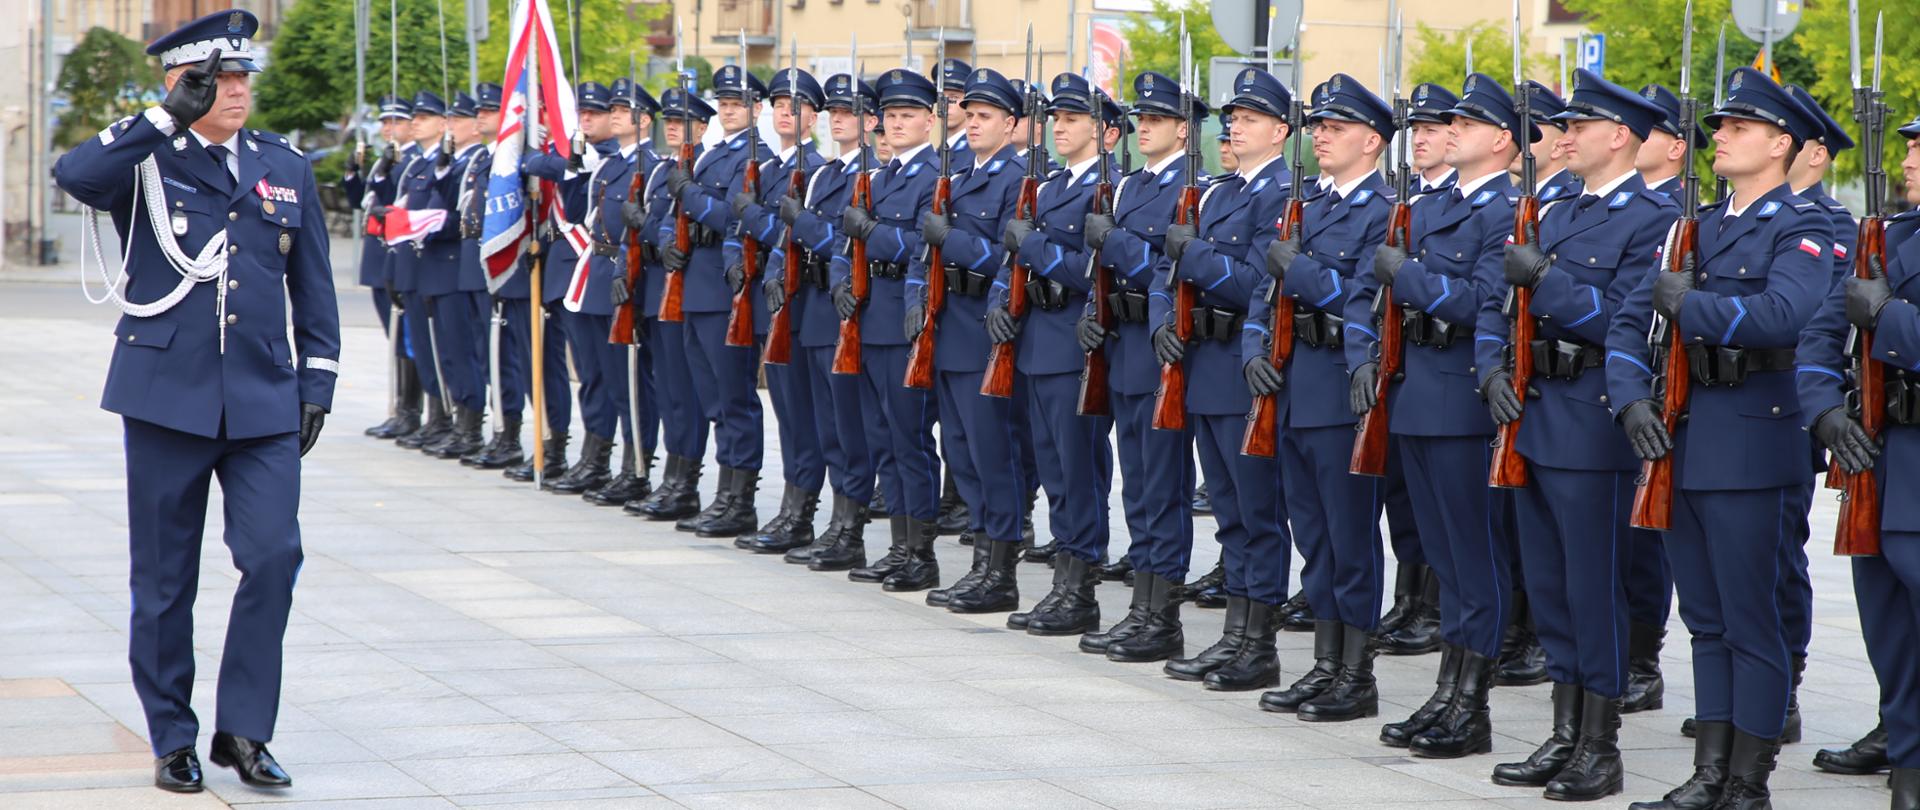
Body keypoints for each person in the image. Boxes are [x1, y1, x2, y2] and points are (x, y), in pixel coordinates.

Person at [53, 9, 338, 792]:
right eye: (222, 79)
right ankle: (172, 735)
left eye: (245, 76)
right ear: (182, 82)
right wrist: (161, 117)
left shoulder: (284, 165)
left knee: (275, 555)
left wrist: (319, 380)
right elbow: (75, 176)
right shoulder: (146, 158)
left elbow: (313, 284)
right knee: (166, 577)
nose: (239, 90)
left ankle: (244, 731)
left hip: (262, 401)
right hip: (165, 398)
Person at [1613, 67, 1833, 810]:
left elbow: (1783, 317)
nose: (1722, 138)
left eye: (1739, 128)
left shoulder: (1802, 226)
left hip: (1751, 440)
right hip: (1681, 433)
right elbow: (1629, 318)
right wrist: (1629, 401)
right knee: (1704, 619)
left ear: (1781, 143)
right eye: (1720, 128)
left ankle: (1748, 781)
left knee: (1750, 619)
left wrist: (1695, 306)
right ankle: (1708, 773)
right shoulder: (1694, 224)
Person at [1479, 70, 1677, 802]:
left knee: (1594, 587)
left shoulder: (1652, 218)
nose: (1563, 138)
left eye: (1577, 127)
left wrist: (1549, 281)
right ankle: (1563, 731)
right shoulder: (1555, 207)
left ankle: (1600, 744)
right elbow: (1502, 302)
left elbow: (1628, 323)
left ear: (1618, 135)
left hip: (1593, 421)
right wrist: (1491, 367)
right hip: (1533, 412)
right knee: (1554, 587)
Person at [1363, 73, 1530, 759]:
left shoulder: (1509, 212)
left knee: (1475, 555)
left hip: (1463, 398)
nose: (1449, 130)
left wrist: (1409, 278)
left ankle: (1472, 702)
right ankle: (1448, 688)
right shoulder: (1431, 205)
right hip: (1418, 395)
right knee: (1445, 559)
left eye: (1466, 122)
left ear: (1501, 140)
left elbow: (1481, 304)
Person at [1249, 73, 1395, 722]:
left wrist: (1296, 267)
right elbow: (1264, 292)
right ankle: (1326, 662)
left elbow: (1359, 296)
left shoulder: (1385, 211)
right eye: (1318, 128)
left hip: (1342, 389)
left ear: (1373, 141)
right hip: (1295, 386)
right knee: (1313, 537)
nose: (1321, 139)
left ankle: (1355, 674)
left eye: (1334, 129)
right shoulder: (1309, 205)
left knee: (1349, 538)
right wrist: (1255, 347)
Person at [1154, 66, 1295, 693]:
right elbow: (1168, 271)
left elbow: (1251, 284)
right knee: (1230, 513)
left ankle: (1257, 642)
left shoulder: (1282, 195)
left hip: (1244, 367)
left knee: (1256, 510)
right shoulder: (1219, 190)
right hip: (1203, 363)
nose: (1234, 126)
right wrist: (1164, 315)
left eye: (1250, 118)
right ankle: (1235, 633)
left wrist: (1195, 254)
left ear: (1281, 131)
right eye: (1233, 118)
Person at [1077, 70, 1206, 663]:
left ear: (1184, 129)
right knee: (1137, 487)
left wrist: (1116, 243)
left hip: (1162, 352)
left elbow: (1168, 268)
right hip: (1122, 346)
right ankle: (1141, 607)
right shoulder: (1128, 186)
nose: (1143, 128)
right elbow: (1100, 272)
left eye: (1156, 119)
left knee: (1163, 487)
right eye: (1139, 120)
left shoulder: (1195, 188)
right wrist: (1090, 312)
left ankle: (1163, 617)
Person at [993, 74, 1122, 633]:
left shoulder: (1109, 188)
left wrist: (1033, 244)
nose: (1059, 128)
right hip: (1035, 343)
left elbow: (1091, 273)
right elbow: (1011, 263)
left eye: (1073, 119)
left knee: (1078, 470)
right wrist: (1000, 300)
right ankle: (1062, 582)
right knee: (1050, 465)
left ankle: (1080, 590)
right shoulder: (1044, 187)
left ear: (1104, 131)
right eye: (1054, 118)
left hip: (1076, 345)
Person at [910, 67, 1030, 608]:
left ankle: (999, 570)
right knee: (959, 449)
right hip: (949, 327)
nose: (974, 122)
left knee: (991, 452)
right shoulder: (954, 176)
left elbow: (1009, 259)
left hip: (986, 331)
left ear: (1010, 124)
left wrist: (952, 241)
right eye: (971, 113)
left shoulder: (1018, 180)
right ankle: (981, 560)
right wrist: (917, 299)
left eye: (986, 115)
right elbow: (922, 250)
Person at [832, 67, 946, 591]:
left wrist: (873, 233)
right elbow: (842, 242)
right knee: (881, 439)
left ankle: (920, 554)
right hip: (869, 316)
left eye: (908, 115)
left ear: (930, 120)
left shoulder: (934, 178)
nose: (897, 124)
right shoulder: (878, 177)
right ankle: (898, 548)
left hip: (906, 317)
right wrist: (839, 281)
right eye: (891, 116)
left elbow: (922, 249)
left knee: (910, 440)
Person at [765, 73, 881, 569]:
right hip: (810, 307)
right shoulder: (824, 175)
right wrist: (775, 272)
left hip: (843, 311)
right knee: (818, 424)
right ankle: (821, 519)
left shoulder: (872, 174)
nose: (838, 119)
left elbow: (843, 244)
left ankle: (849, 529)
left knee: (847, 426)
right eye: (833, 112)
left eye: (848, 112)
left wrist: (803, 221)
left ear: (869, 120)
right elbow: (787, 242)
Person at [662, 65, 770, 537]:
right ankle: (723, 493)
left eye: (737, 104)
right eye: (723, 104)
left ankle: (739, 501)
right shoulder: (709, 156)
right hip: (696, 285)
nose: (728, 111)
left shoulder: (757, 157)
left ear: (756, 109)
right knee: (710, 398)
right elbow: (677, 211)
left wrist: (692, 196)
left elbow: (733, 215)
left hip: (726, 289)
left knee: (733, 398)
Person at [1372, 81, 1455, 659]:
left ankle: (1437, 604)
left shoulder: (1465, 203)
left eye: (1431, 130)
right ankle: (1411, 598)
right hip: (1398, 369)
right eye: (1415, 131)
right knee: (1403, 496)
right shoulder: (1408, 199)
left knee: (1446, 511)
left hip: (1442, 369)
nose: (1420, 140)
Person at [731, 66, 828, 552]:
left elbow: (792, 237)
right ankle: (790, 508)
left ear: (813, 117)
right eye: (780, 106)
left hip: (802, 303)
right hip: (768, 300)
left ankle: (802, 514)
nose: (787, 114)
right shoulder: (766, 168)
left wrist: (750, 215)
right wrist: (736, 257)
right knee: (786, 411)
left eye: (797, 107)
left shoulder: (817, 170)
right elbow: (740, 237)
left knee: (805, 413)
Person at [629, 85, 717, 521]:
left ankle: (687, 483)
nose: (677, 130)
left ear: (702, 127)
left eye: (685, 124)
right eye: (672, 124)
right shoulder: (666, 169)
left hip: (692, 291)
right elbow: (665, 225)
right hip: (663, 290)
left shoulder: (703, 166)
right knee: (669, 391)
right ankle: (674, 478)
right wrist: (657, 235)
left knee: (686, 391)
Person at [578, 77, 660, 508]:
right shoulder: (610, 166)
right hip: (600, 270)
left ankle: (638, 465)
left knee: (632, 380)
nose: (613, 116)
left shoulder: (649, 163)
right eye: (611, 110)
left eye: (622, 111)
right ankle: (613, 463)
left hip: (629, 274)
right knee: (609, 376)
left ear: (643, 120)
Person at [416, 90, 489, 462]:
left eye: (459, 120)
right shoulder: (455, 161)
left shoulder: (478, 160)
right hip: (441, 267)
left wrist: (421, 222)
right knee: (448, 352)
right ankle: (459, 420)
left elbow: (459, 216)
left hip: (456, 265)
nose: (452, 126)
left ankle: (470, 425)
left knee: (464, 352)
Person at [348, 96, 419, 439]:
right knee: (394, 339)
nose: (388, 128)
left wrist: (388, 170)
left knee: (405, 338)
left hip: (396, 252)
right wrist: (353, 173)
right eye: (385, 122)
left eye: (396, 122)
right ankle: (401, 408)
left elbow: (394, 202)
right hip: (378, 254)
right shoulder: (385, 160)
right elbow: (361, 202)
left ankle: (409, 411)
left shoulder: (411, 160)